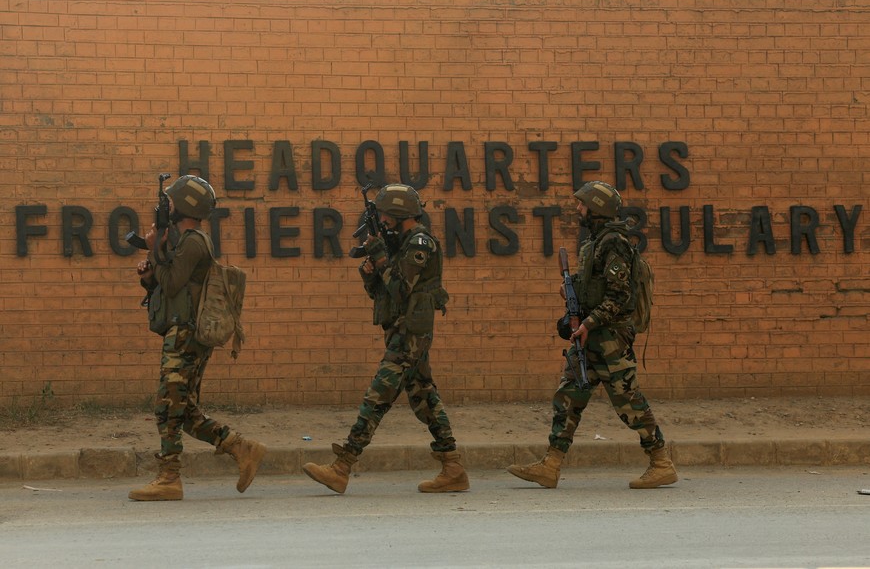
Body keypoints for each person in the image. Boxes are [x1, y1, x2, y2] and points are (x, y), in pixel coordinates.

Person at [506, 181, 678, 489]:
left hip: (610, 336)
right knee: (568, 398)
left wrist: (588, 323)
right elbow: (594, 282)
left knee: (628, 401)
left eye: (583, 205)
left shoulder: (614, 243)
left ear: (596, 209)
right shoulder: (596, 242)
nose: (578, 209)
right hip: (589, 335)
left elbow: (619, 295)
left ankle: (661, 462)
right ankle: (551, 464)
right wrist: (572, 287)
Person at [302, 184, 469, 494]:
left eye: (384, 214)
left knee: (378, 395)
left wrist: (380, 257)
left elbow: (402, 288)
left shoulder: (420, 243)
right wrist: (372, 272)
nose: (381, 219)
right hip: (402, 330)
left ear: (398, 213)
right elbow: (384, 292)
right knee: (423, 397)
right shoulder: (401, 244)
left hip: (411, 335)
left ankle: (342, 466)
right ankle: (453, 467)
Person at [128, 175, 267, 501]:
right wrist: (150, 277)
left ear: (185, 206)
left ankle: (169, 477)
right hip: (182, 331)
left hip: (186, 334)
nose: (168, 206)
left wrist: (155, 251)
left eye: (172, 202)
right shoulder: (183, 240)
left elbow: (174, 282)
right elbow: (169, 287)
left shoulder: (194, 241)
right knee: (184, 410)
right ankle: (241, 448)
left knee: (167, 406)